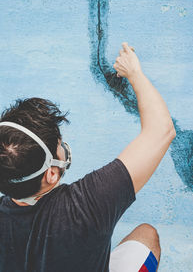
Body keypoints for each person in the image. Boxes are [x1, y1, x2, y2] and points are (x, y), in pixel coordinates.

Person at [0, 42, 176, 272]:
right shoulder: (87, 205)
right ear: (51, 173)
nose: (63, 145)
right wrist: (134, 73)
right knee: (147, 235)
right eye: (59, 144)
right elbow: (162, 130)